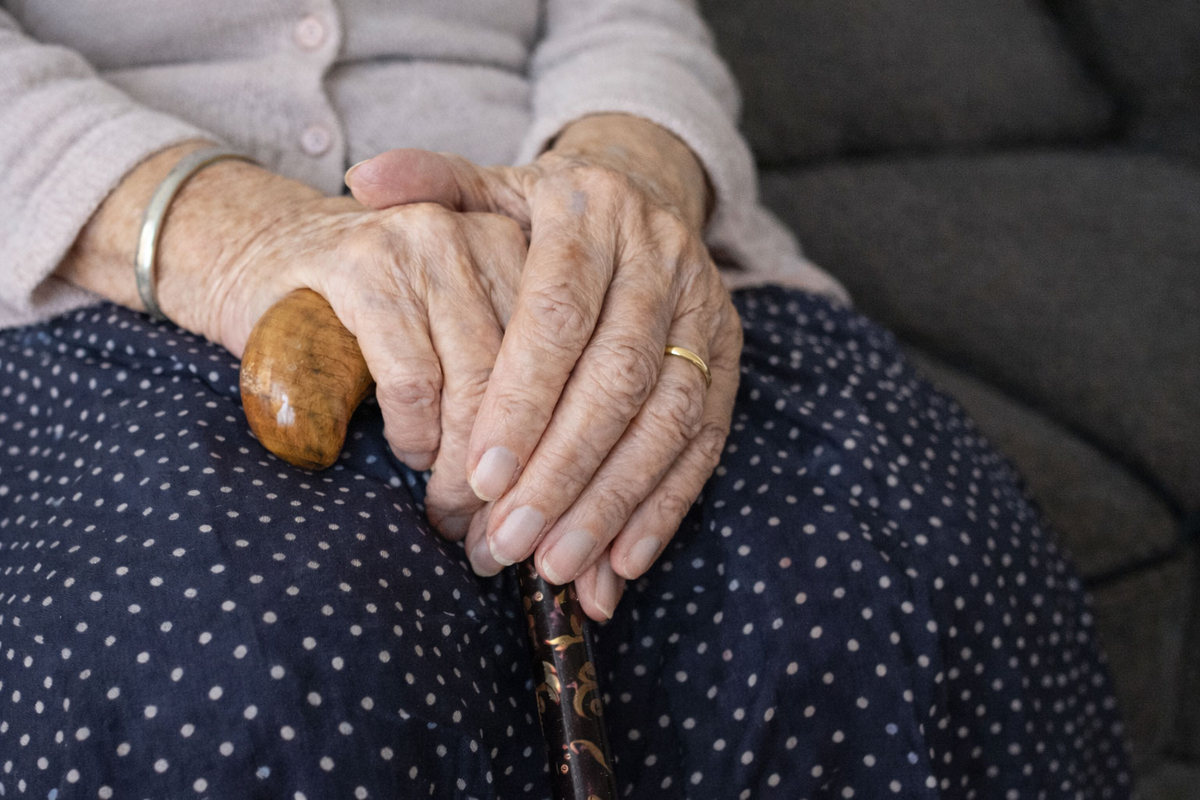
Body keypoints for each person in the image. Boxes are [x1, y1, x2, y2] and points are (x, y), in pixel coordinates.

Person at [0, 2, 1129, 797]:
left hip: (574, 225)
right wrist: (239, 236)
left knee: (892, 574)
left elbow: (629, 17)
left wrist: (627, 186)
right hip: (97, 257)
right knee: (249, 672)